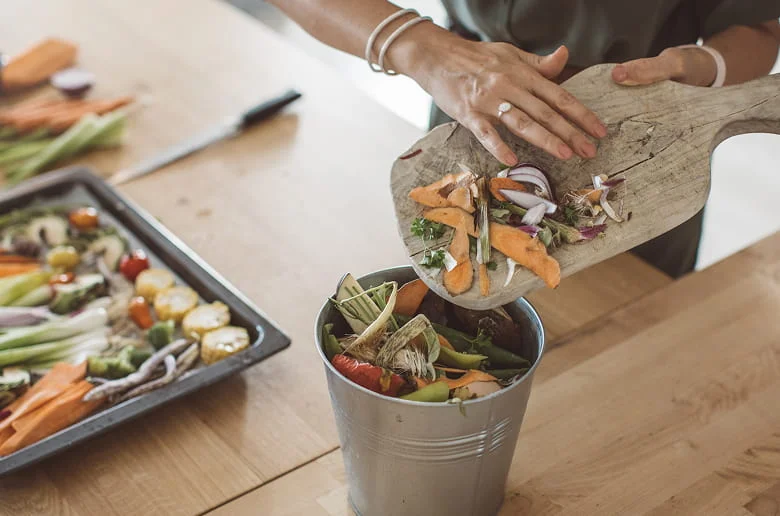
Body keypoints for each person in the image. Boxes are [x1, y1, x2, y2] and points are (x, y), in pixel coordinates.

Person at [270, 0, 780, 277]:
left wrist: (704, 66)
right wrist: (419, 47)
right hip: (474, 116)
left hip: (644, 141)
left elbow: (759, 28)